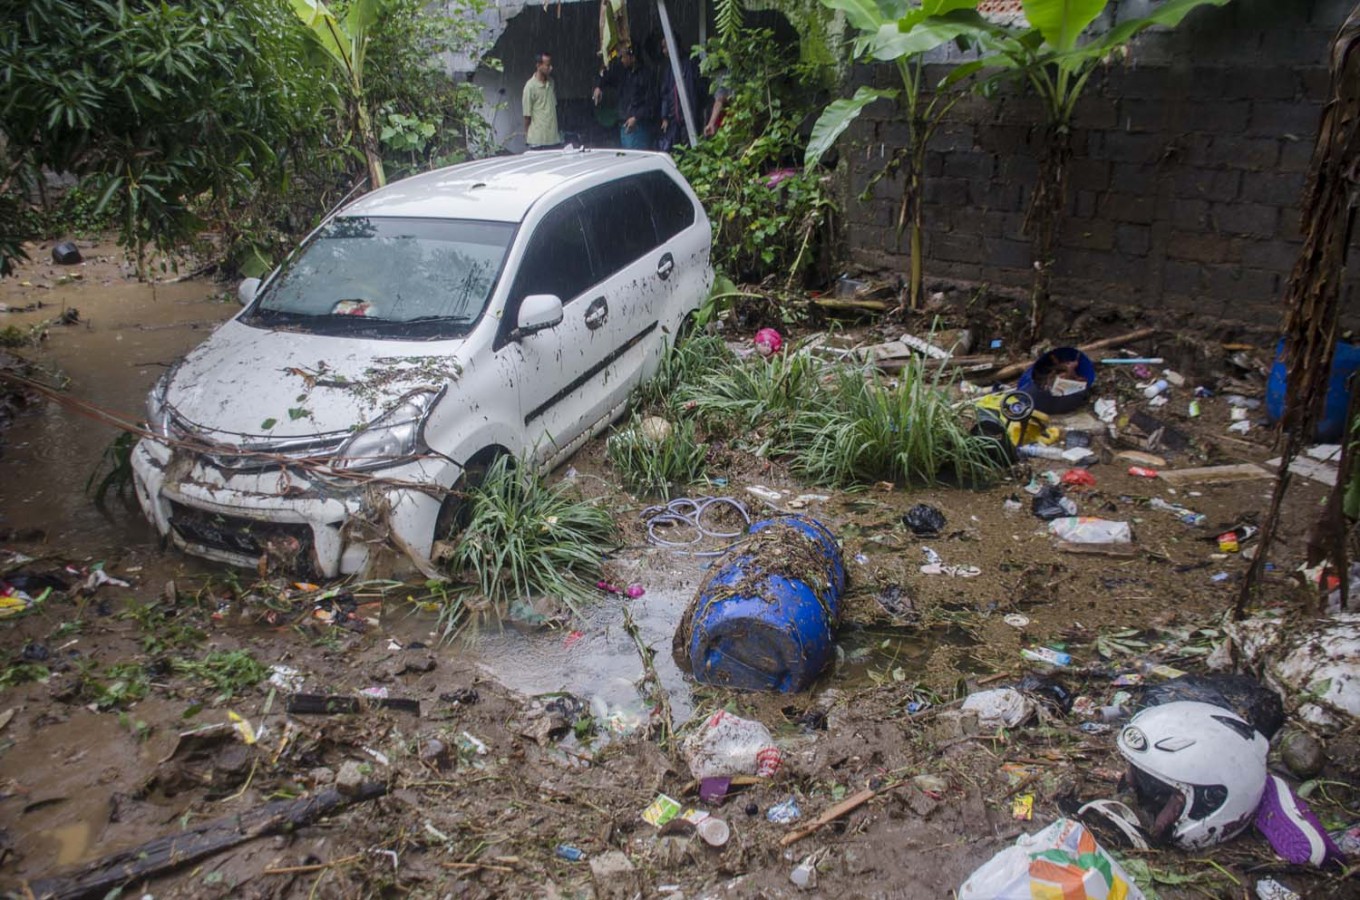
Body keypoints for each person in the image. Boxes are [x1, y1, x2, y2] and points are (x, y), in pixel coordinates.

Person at [592, 42, 656, 149]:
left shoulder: (646, 75)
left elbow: (651, 103)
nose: (621, 60)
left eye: (623, 57)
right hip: (624, 124)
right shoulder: (622, 72)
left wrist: (636, 117)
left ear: (633, 57)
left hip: (639, 126)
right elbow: (605, 76)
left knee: (637, 159)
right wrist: (598, 87)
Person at [657, 37, 703, 152]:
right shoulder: (668, 69)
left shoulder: (691, 63)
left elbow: (700, 89)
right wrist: (664, 117)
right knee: (675, 150)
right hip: (674, 120)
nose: (664, 51)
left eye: (665, 47)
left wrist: (698, 110)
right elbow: (665, 94)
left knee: (691, 149)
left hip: (690, 117)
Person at [522, 52, 561, 149]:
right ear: (538, 66)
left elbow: (553, 107)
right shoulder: (530, 87)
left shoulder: (551, 82)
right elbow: (527, 116)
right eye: (547, 65)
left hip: (553, 139)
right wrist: (527, 135)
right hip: (537, 140)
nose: (551, 68)